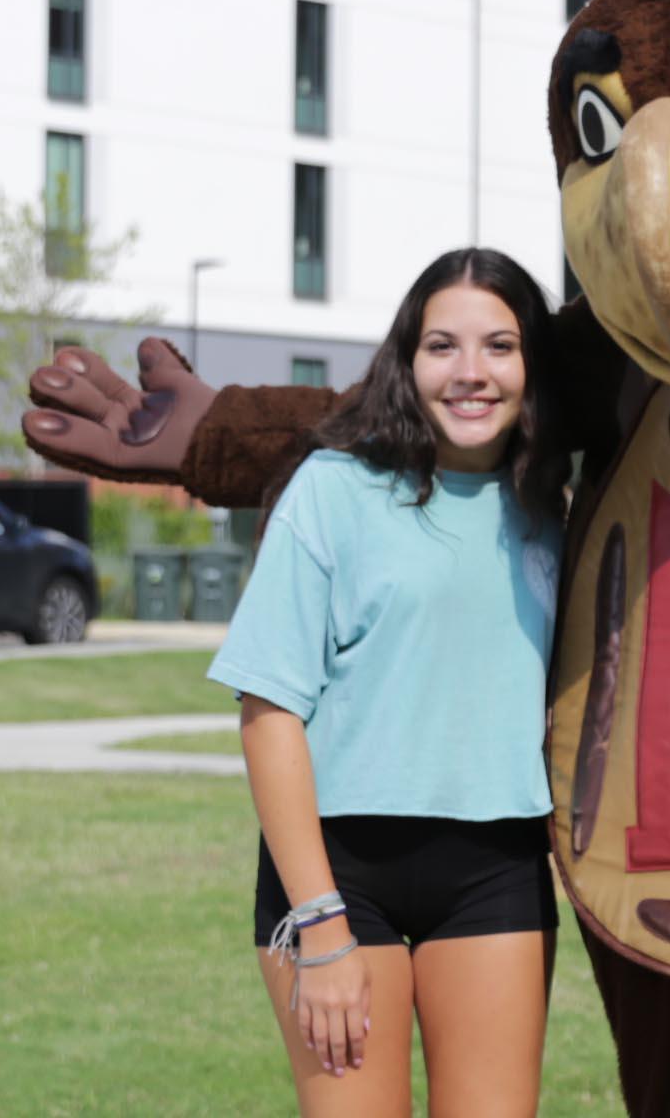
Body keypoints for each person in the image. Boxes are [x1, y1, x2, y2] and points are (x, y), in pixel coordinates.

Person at [209, 247, 567, 1117]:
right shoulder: (332, 490)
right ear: (406, 362)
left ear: (533, 366)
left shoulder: (556, 505)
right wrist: (322, 926)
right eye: (442, 345)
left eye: (500, 346)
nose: (471, 373)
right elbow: (267, 713)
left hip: (498, 867)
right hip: (338, 873)